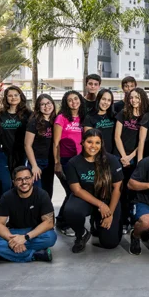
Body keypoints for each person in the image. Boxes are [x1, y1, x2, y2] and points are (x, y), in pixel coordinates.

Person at [64, 129, 123, 253]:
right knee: (71, 211)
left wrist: (110, 213)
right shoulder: (73, 163)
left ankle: (97, 222)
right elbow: (77, 190)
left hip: (107, 199)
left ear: (102, 144)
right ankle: (81, 234)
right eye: (89, 142)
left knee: (110, 243)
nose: (93, 146)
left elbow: (117, 188)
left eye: (97, 143)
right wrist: (100, 205)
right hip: (85, 198)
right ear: (82, 142)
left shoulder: (112, 160)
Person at [0, 166, 57, 263]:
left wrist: (25, 237)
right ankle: (34, 255)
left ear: (32, 179)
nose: (24, 182)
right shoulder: (7, 197)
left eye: (27, 178)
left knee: (50, 238)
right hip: (14, 232)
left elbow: (49, 223)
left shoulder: (42, 195)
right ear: (14, 182)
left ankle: (2, 255)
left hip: (34, 232)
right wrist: (13, 240)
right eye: (19, 179)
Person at [115, 87, 149, 234]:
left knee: (133, 191)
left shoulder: (146, 116)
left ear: (142, 99)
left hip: (135, 158)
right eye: (131, 97)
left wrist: (131, 157)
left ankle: (133, 219)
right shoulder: (123, 114)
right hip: (120, 157)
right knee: (120, 190)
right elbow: (117, 136)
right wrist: (124, 156)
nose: (134, 100)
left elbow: (142, 141)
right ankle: (122, 221)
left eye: (137, 97)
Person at [53, 90, 87, 236]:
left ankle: (63, 219)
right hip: (65, 160)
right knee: (71, 191)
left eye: (76, 99)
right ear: (66, 103)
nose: (74, 102)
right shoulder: (61, 118)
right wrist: (57, 163)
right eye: (70, 100)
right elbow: (55, 142)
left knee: (75, 192)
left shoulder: (83, 118)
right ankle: (63, 222)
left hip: (80, 160)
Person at [24, 93, 56, 194]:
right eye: (42, 104)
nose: (46, 106)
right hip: (37, 161)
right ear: (38, 107)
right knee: (36, 193)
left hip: (50, 162)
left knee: (48, 192)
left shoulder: (55, 121)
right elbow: (27, 145)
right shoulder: (34, 122)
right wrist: (34, 165)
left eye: (48, 103)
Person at [0, 86, 31, 173]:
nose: (13, 98)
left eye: (16, 95)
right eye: (10, 96)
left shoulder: (28, 114)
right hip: (6, 154)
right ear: (6, 98)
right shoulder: (1, 114)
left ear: (21, 96)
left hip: (23, 154)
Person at [83, 88, 116, 155]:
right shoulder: (89, 117)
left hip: (113, 154)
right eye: (103, 99)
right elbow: (89, 139)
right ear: (98, 99)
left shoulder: (114, 116)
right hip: (97, 153)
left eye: (109, 100)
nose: (106, 102)